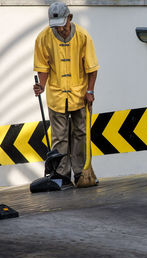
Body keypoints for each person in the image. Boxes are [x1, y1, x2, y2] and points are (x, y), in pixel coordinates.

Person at [33, 2, 99, 188]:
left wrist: (90, 91)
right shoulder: (43, 38)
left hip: (80, 94)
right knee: (59, 136)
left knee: (80, 133)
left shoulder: (83, 36)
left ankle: (80, 174)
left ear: (70, 18)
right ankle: (61, 176)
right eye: (56, 25)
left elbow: (92, 69)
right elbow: (42, 67)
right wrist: (42, 86)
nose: (60, 29)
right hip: (56, 94)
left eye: (63, 24)